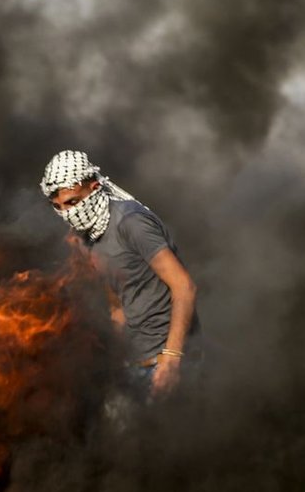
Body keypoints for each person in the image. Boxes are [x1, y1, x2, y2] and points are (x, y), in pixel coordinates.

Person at [40, 150, 199, 396]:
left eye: (72, 202)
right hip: (133, 366)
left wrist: (172, 360)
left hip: (169, 361)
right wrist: (113, 361)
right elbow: (117, 305)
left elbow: (184, 287)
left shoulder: (131, 222)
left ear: (94, 188)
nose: (67, 213)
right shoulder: (84, 238)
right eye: (58, 206)